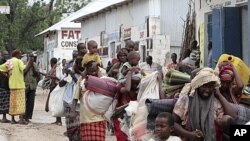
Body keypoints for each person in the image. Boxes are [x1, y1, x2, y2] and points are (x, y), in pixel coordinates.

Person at [173, 68, 224, 141]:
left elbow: (220, 125)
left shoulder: (216, 103)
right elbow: (173, 122)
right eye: (204, 86)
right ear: (197, 86)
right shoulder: (186, 100)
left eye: (210, 86)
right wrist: (189, 134)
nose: (207, 90)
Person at [71, 61, 106, 141]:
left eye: (95, 70)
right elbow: (76, 97)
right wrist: (72, 111)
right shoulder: (82, 80)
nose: (93, 73)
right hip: (86, 118)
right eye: (91, 71)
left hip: (100, 118)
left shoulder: (102, 79)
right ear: (87, 70)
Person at [0, 49, 31, 124]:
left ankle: (13, 120)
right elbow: (24, 69)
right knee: (21, 103)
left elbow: (0, 68)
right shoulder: (19, 61)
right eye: (20, 54)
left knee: (12, 103)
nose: (20, 55)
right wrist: (30, 61)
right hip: (19, 85)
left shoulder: (9, 62)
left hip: (11, 85)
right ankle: (21, 120)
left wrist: (6, 74)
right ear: (17, 55)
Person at [63, 53, 82, 141]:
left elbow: (79, 83)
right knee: (71, 129)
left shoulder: (87, 73)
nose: (79, 65)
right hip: (68, 102)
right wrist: (67, 75)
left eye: (81, 63)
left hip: (80, 105)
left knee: (79, 130)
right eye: (77, 63)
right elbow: (61, 83)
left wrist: (73, 74)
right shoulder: (70, 70)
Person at [45, 57, 63, 126]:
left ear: (52, 62)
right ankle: (57, 120)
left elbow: (58, 77)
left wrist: (50, 76)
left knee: (56, 103)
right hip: (54, 87)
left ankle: (59, 121)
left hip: (56, 87)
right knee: (55, 103)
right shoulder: (56, 68)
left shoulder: (57, 68)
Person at [23, 53, 40, 123]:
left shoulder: (35, 64)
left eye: (33, 57)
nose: (31, 58)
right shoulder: (23, 64)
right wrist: (28, 66)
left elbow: (37, 74)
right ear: (27, 57)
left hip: (32, 86)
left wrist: (32, 66)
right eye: (30, 57)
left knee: (31, 102)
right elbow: (23, 73)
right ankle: (22, 117)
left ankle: (28, 117)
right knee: (23, 102)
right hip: (25, 85)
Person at [0, 50, 11, 123]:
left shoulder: (6, 61)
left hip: (5, 84)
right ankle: (3, 118)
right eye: (5, 54)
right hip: (2, 85)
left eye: (7, 54)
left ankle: (4, 117)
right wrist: (5, 74)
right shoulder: (1, 61)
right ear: (2, 54)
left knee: (5, 102)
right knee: (3, 101)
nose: (6, 55)